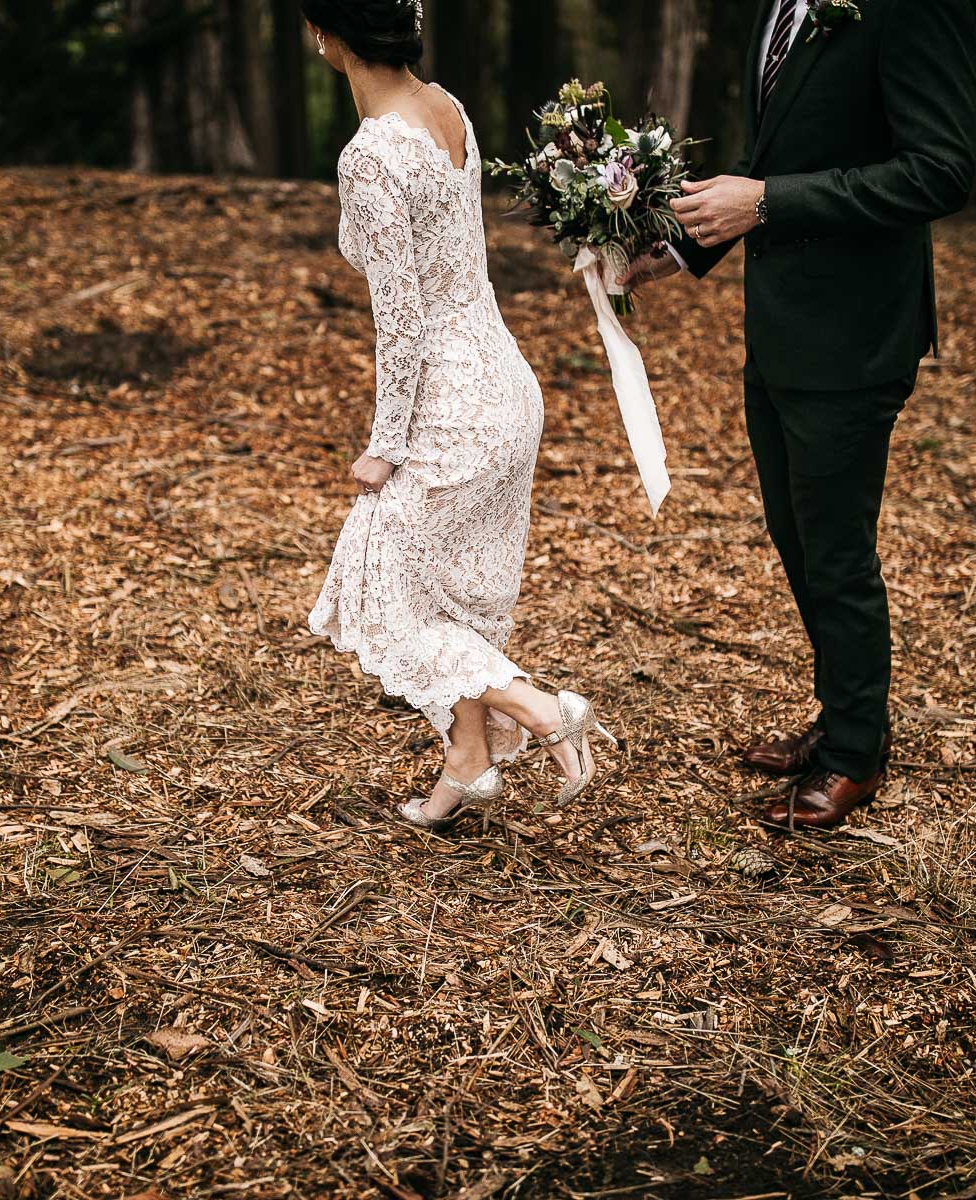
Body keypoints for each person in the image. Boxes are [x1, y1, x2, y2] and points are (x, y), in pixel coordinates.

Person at [622, 0, 976, 830]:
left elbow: (940, 170)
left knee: (837, 548)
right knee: (797, 534)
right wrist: (681, 246)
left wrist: (771, 202)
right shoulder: (783, 9)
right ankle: (841, 713)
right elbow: (775, 158)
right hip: (783, 326)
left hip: (856, 335)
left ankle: (857, 751)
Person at [303, 0, 615, 831]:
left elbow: (399, 320)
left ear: (326, 38)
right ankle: (468, 766)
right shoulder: (448, 107)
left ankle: (544, 712)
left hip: (454, 408)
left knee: (381, 590)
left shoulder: (371, 156)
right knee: (446, 597)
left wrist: (384, 443)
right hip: (507, 387)